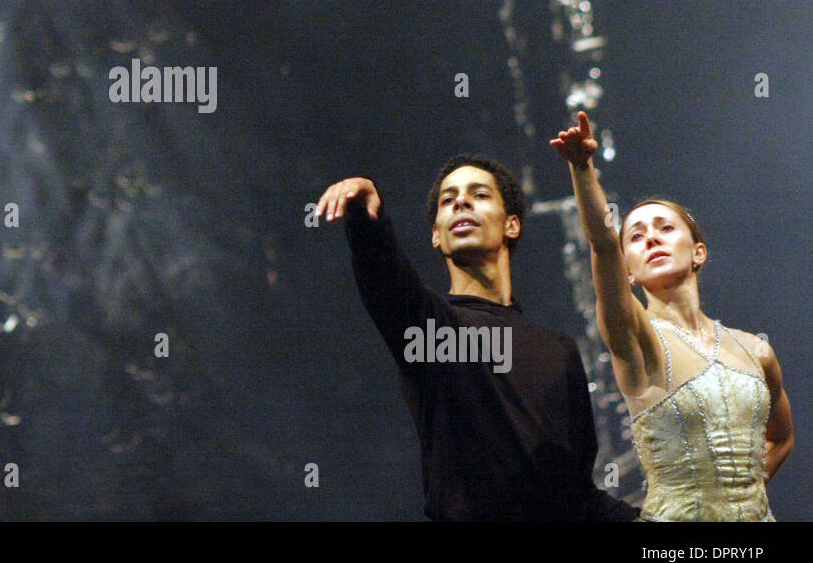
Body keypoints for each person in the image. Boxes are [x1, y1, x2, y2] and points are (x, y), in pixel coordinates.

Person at [316, 155, 638, 520]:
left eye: (479, 195)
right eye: (447, 199)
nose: (461, 202)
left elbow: (577, 494)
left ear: (511, 225)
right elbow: (386, 281)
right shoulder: (432, 332)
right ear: (436, 234)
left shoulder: (559, 351)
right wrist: (364, 217)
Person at [550, 111, 794, 520]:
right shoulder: (638, 341)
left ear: (698, 252)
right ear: (628, 269)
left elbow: (782, 440)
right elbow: (602, 245)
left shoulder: (757, 351)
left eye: (665, 228)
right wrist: (582, 168)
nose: (651, 239)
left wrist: (737, 504)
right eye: (637, 236)